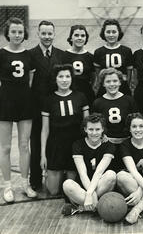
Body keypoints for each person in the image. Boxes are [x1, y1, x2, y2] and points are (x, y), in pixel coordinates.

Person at [0, 17, 37, 202]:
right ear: (7, 33)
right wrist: (5, 97)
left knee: (24, 145)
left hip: (25, 101)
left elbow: (30, 81)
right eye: (14, 32)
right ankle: (7, 186)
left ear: (24, 33)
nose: (17, 35)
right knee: (6, 147)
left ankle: (25, 184)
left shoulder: (29, 55)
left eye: (20, 32)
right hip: (5, 101)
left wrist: (22, 95)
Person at [40, 64, 89, 195]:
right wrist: (43, 154)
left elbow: (87, 126)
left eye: (67, 76)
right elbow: (45, 129)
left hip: (75, 146)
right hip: (55, 146)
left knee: (70, 189)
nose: (64, 80)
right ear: (55, 79)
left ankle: (68, 173)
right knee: (54, 191)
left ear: (72, 79)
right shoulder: (49, 100)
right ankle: (53, 174)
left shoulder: (81, 97)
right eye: (60, 76)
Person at [29, 20, 66, 191]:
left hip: (57, 107)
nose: (47, 37)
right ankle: (35, 180)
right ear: (38, 34)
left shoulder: (61, 54)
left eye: (49, 33)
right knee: (36, 144)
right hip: (36, 108)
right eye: (43, 33)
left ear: (54, 34)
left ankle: (61, 176)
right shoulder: (30, 55)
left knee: (58, 142)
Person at [62, 113, 116, 215]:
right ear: (85, 129)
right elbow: (82, 173)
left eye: (97, 129)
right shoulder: (78, 144)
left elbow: (99, 171)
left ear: (103, 129)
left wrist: (90, 194)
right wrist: (90, 194)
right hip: (83, 187)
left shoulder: (109, 145)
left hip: (100, 185)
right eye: (91, 129)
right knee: (67, 184)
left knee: (111, 175)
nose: (94, 133)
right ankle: (99, 206)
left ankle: (82, 207)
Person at [92, 68, 137, 171]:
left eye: (115, 81)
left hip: (127, 146)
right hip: (106, 146)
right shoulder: (98, 103)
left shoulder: (129, 100)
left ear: (120, 82)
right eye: (108, 81)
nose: (112, 84)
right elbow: (95, 125)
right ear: (103, 84)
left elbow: (135, 122)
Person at [94, 19, 133, 97]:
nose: (111, 35)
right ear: (103, 33)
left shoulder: (126, 51)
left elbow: (129, 75)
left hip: (122, 88)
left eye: (114, 32)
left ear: (119, 33)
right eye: (108, 32)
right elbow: (98, 76)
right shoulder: (98, 52)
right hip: (105, 89)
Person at [63, 25, 95, 106]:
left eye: (83, 35)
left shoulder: (90, 57)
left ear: (86, 38)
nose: (80, 38)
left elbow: (93, 78)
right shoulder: (63, 55)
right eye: (76, 35)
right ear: (71, 37)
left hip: (86, 94)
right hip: (68, 93)